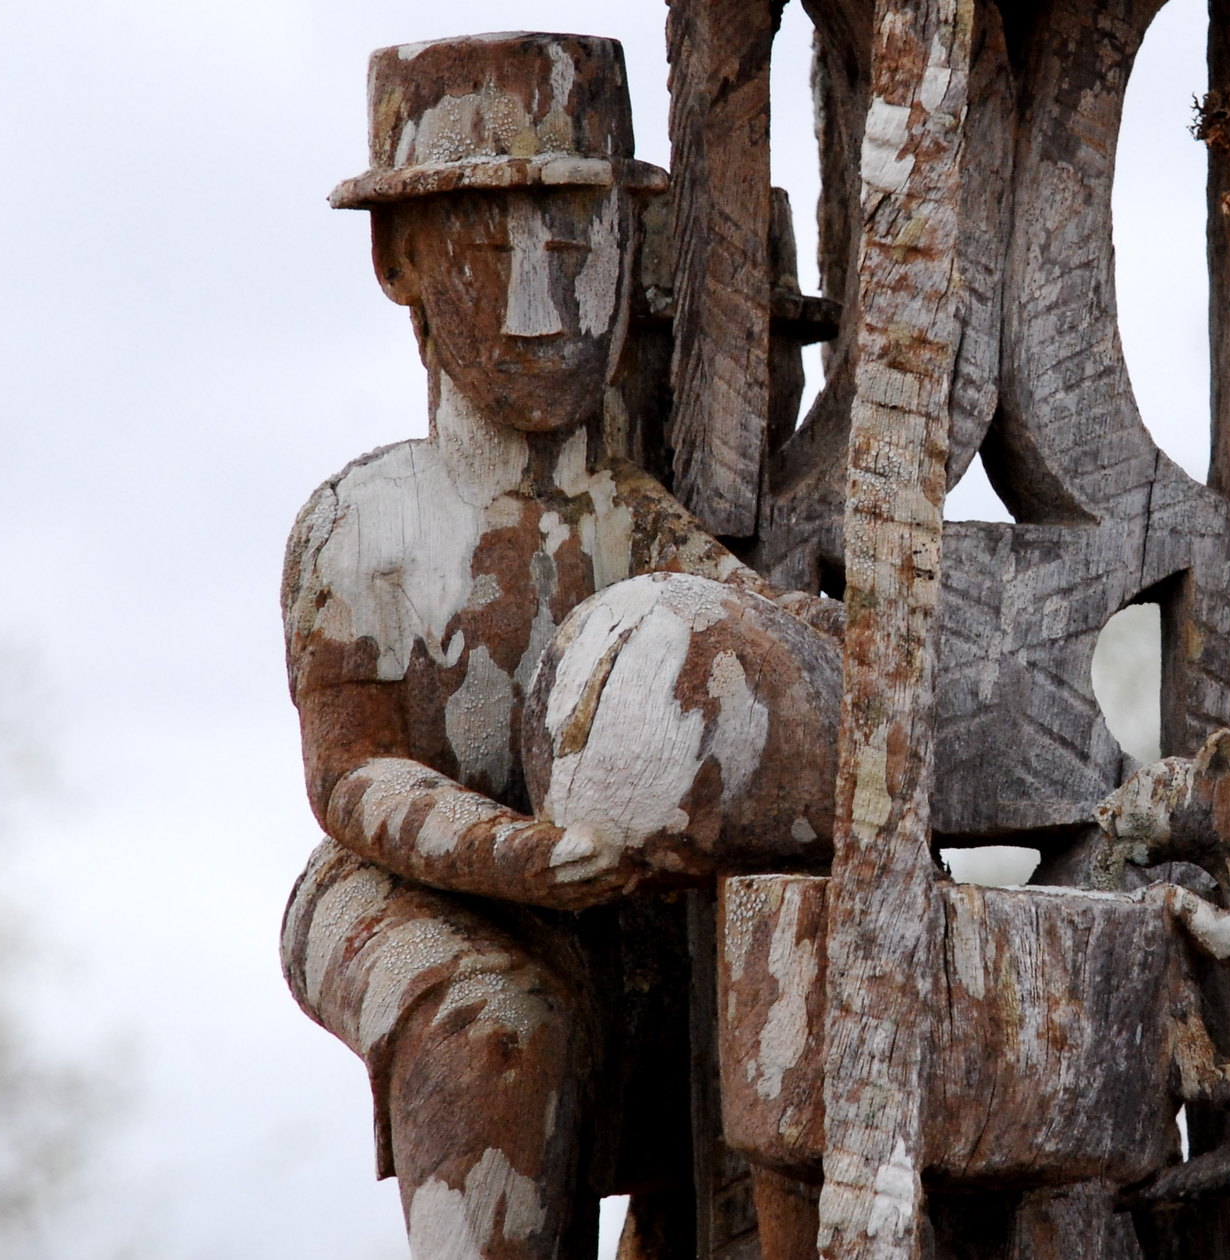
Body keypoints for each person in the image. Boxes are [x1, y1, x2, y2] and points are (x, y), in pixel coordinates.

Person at [278, 33, 839, 1259]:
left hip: (606, 900)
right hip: (409, 889)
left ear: (628, 249)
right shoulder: (359, 528)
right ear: (398, 263)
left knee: (748, 996)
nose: (541, 306)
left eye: (577, 248)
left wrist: (826, 644)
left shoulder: (632, 519)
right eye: (486, 254)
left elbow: (754, 622)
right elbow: (352, 778)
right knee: (498, 1023)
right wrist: (515, 856)